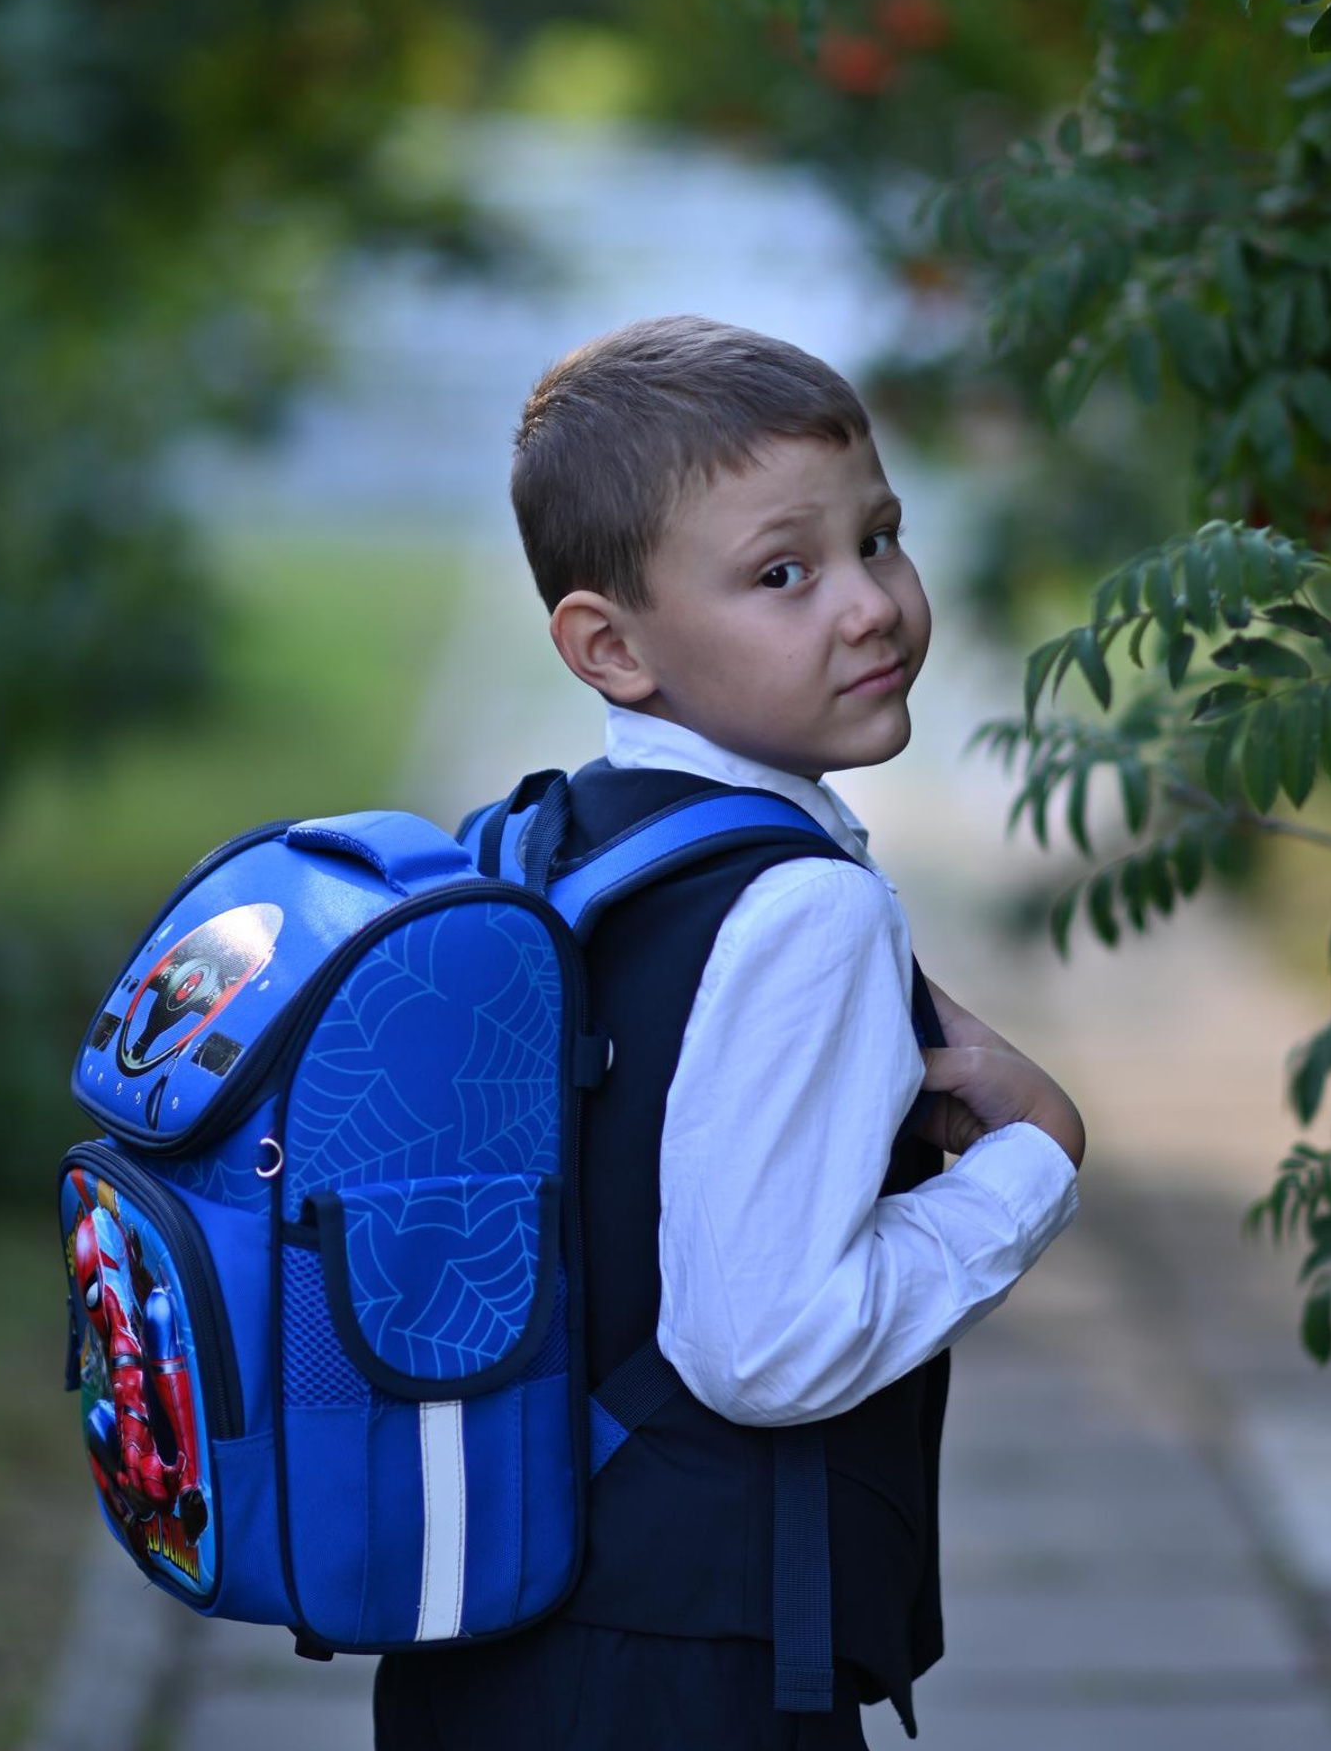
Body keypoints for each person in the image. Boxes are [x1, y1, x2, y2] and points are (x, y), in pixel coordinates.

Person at [373, 313, 1085, 1749]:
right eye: (784, 573)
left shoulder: (557, 836)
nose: (871, 602)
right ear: (612, 647)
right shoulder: (801, 909)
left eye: (878, 537)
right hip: (680, 1676)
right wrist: (1034, 1163)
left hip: (498, 1632)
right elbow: (765, 1345)